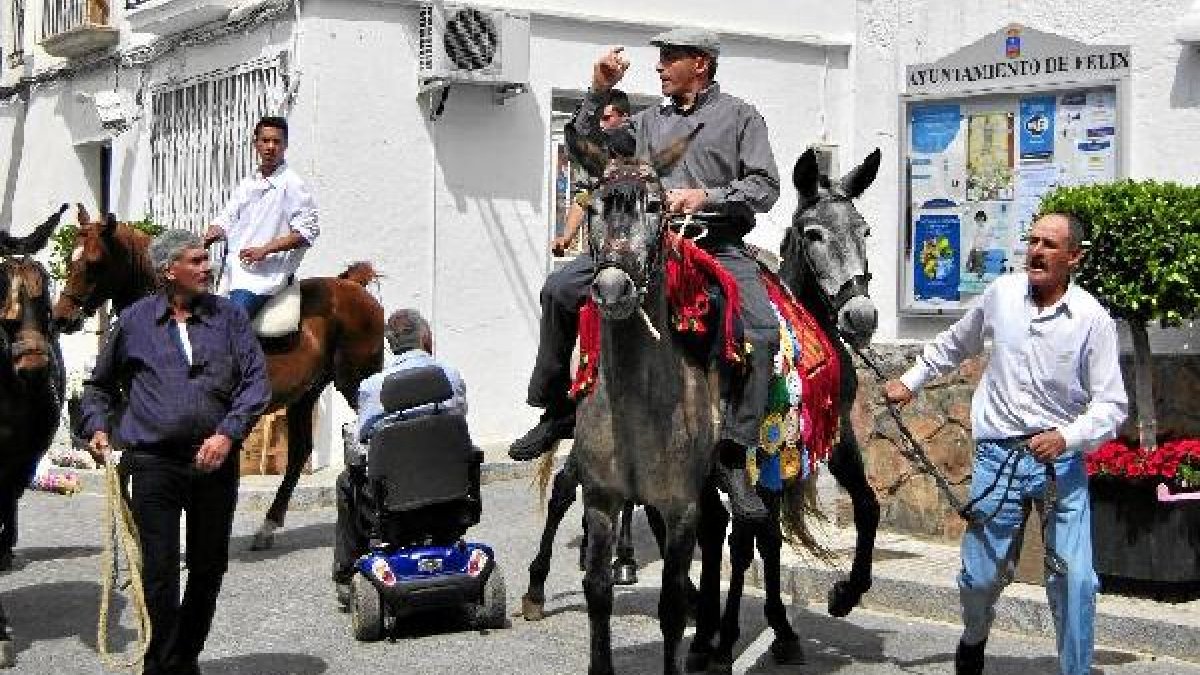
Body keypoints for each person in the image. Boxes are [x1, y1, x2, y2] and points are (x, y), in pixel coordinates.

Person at [511, 29, 782, 523]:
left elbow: (765, 187)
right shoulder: (645, 122)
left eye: (669, 59)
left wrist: (707, 196)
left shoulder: (741, 115)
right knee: (560, 289)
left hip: (714, 244)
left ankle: (732, 455)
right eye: (659, 60)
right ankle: (555, 411)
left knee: (762, 333)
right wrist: (595, 92)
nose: (658, 68)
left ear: (699, 63)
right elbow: (584, 146)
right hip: (644, 244)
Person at [883, 213, 1128, 675]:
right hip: (999, 457)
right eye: (1031, 240)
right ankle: (974, 637)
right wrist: (912, 379)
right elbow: (957, 343)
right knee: (979, 578)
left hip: (1062, 463)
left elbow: (1112, 406)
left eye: (1049, 244)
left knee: (1075, 579)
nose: (1036, 250)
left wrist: (1067, 437)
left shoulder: (1093, 319)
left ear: (1073, 257)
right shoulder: (1001, 295)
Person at [82, 229, 271, 675]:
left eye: (207, 260)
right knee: (160, 572)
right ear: (169, 271)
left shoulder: (229, 318)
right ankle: (162, 665)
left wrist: (227, 434)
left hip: (215, 463)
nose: (207, 267)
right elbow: (98, 388)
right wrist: (96, 427)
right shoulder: (133, 322)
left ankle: (185, 656)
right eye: (196, 261)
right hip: (153, 464)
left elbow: (255, 383)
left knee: (209, 569)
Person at [508, 90, 632, 462]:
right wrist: (566, 235)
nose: (601, 126)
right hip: (601, 254)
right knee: (557, 290)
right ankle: (555, 406)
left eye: (606, 119)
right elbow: (583, 200)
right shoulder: (600, 166)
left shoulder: (644, 146)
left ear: (623, 119)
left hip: (644, 253)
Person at [332, 308, 467, 605]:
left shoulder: (372, 387)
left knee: (347, 481)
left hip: (394, 501)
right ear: (426, 338)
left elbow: (365, 437)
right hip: (451, 493)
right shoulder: (450, 375)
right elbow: (458, 419)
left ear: (390, 346)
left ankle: (345, 575)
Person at [203, 116, 319, 321]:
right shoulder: (249, 182)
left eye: (277, 141)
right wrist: (206, 237)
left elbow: (306, 233)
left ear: (285, 145)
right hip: (234, 270)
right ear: (256, 143)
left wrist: (265, 250)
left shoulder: (292, 184)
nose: (270, 147)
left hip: (263, 276)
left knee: (232, 323)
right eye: (265, 141)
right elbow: (227, 218)